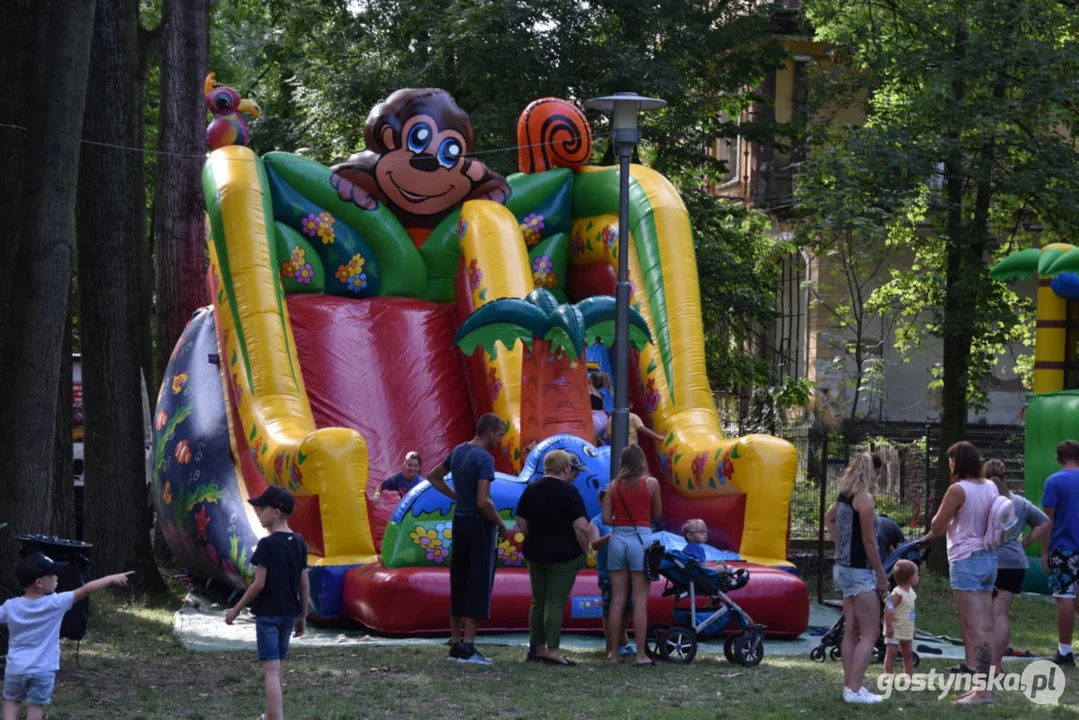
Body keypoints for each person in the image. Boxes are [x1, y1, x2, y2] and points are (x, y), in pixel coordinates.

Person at [1, 554, 133, 720]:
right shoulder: (55, 603)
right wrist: (110, 578)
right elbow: (86, 590)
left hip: (15, 669)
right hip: (43, 670)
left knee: (11, 702)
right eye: (52, 575)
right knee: (35, 706)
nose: (57, 577)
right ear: (39, 583)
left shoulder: (10, 606)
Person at [426, 413, 509, 665]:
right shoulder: (484, 458)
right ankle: (470, 647)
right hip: (478, 525)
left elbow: (433, 476)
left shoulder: (459, 451)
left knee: (459, 580)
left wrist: (456, 496)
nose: (501, 440)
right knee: (478, 582)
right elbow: (484, 501)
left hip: (460, 522)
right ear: (490, 432)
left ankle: (455, 643)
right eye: (500, 434)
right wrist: (501, 523)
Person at [226, 486, 310, 720]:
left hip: (268, 616)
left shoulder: (267, 544)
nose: (258, 512)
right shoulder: (299, 543)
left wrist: (235, 609)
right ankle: (270, 715)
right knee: (278, 666)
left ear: (275, 512)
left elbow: (258, 584)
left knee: (271, 669)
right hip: (288, 614)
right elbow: (304, 583)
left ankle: (277, 718)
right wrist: (302, 615)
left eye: (261, 509)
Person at [924, 441, 998, 705]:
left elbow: (938, 525)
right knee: (982, 626)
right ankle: (982, 686)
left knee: (975, 627)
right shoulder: (990, 486)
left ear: (955, 462)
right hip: (989, 560)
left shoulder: (957, 490)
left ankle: (982, 692)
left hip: (965, 561)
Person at [516, 450, 590, 666]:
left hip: (535, 552)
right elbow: (580, 527)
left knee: (538, 601)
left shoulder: (532, 489)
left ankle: (538, 648)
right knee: (555, 603)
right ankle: (554, 650)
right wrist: (584, 551)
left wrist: (534, 536)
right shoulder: (570, 493)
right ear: (566, 468)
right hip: (564, 555)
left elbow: (521, 520)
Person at [825, 452, 888, 704]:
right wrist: (882, 577)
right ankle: (854, 690)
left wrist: (839, 542)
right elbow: (868, 541)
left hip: (842, 569)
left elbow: (829, 518)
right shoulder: (865, 499)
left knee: (851, 630)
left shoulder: (844, 497)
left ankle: (850, 687)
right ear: (878, 472)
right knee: (871, 632)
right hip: (859, 572)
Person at [982, 459, 1049, 671]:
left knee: (983, 613)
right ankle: (996, 665)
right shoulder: (1018, 502)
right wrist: (1024, 543)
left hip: (984, 559)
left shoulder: (980, 500)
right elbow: (1045, 522)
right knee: (1000, 613)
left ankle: (980, 662)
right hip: (1012, 562)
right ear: (1005, 478)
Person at [602, 444, 662, 666]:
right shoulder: (651, 484)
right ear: (642, 461)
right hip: (641, 539)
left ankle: (614, 653)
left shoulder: (613, 486)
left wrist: (623, 522)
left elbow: (607, 519)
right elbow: (657, 513)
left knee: (617, 600)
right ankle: (640, 654)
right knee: (639, 601)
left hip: (618, 539)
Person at [1041, 439, 1079, 666]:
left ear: (1059, 458)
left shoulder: (1054, 481)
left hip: (1064, 547)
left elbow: (1048, 521)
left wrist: (1045, 552)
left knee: (1065, 596)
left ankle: (1064, 651)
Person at [588, 487, 636, 660]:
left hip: (628, 571)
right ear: (602, 503)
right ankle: (611, 646)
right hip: (608, 572)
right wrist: (611, 536)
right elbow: (594, 544)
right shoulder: (596, 522)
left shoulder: (627, 520)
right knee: (610, 609)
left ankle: (621, 635)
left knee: (630, 605)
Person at [882, 558, 918, 676]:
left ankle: (908, 675)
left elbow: (911, 611)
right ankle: (888, 676)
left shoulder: (911, 593)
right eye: (916, 574)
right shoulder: (897, 593)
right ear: (911, 577)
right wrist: (889, 626)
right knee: (891, 653)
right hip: (895, 628)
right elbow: (888, 609)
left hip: (906, 627)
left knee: (908, 652)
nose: (918, 576)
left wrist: (913, 626)